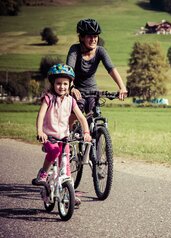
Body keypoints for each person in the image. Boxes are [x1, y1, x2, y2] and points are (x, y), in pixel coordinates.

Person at [32, 63, 92, 205]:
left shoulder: (71, 101)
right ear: (53, 84)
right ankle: (43, 173)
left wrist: (86, 132)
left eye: (65, 84)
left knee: (65, 164)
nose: (62, 87)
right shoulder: (49, 98)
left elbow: (81, 117)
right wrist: (40, 131)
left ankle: (68, 192)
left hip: (64, 137)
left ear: (70, 84)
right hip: (49, 136)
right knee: (54, 151)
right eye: (58, 83)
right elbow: (41, 115)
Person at [66, 18, 127, 116]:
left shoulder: (100, 51)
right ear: (81, 37)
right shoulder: (75, 50)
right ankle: (69, 131)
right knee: (76, 114)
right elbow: (69, 71)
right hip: (76, 91)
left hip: (92, 92)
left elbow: (111, 69)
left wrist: (122, 87)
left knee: (94, 114)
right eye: (90, 36)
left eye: (95, 36)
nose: (93, 39)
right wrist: (72, 87)